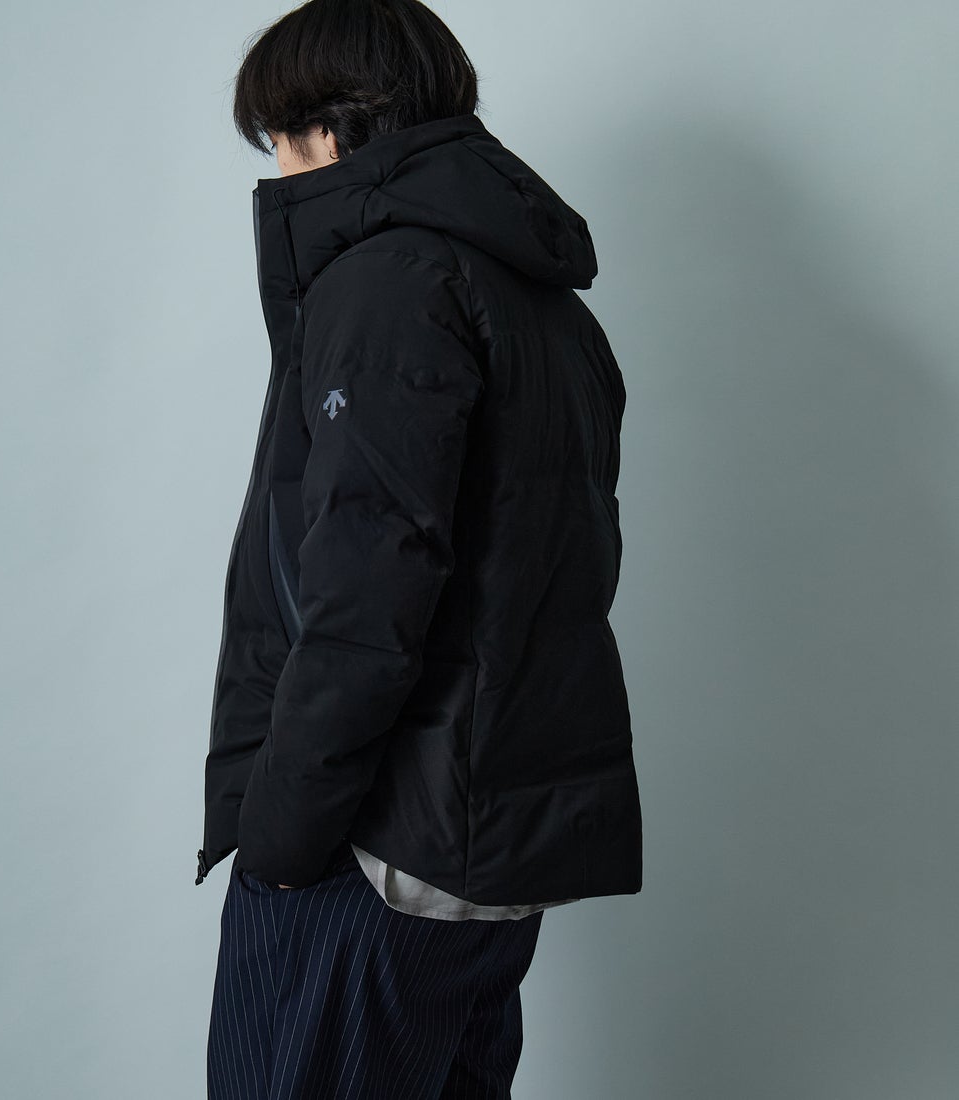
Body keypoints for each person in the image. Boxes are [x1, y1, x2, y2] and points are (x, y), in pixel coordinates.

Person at [197, 1, 642, 1096]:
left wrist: (280, 838)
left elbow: (365, 596)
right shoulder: (543, 304)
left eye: (280, 139)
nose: (278, 169)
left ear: (333, 126)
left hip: (378, 841)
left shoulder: (389, 281)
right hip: (481, 844)